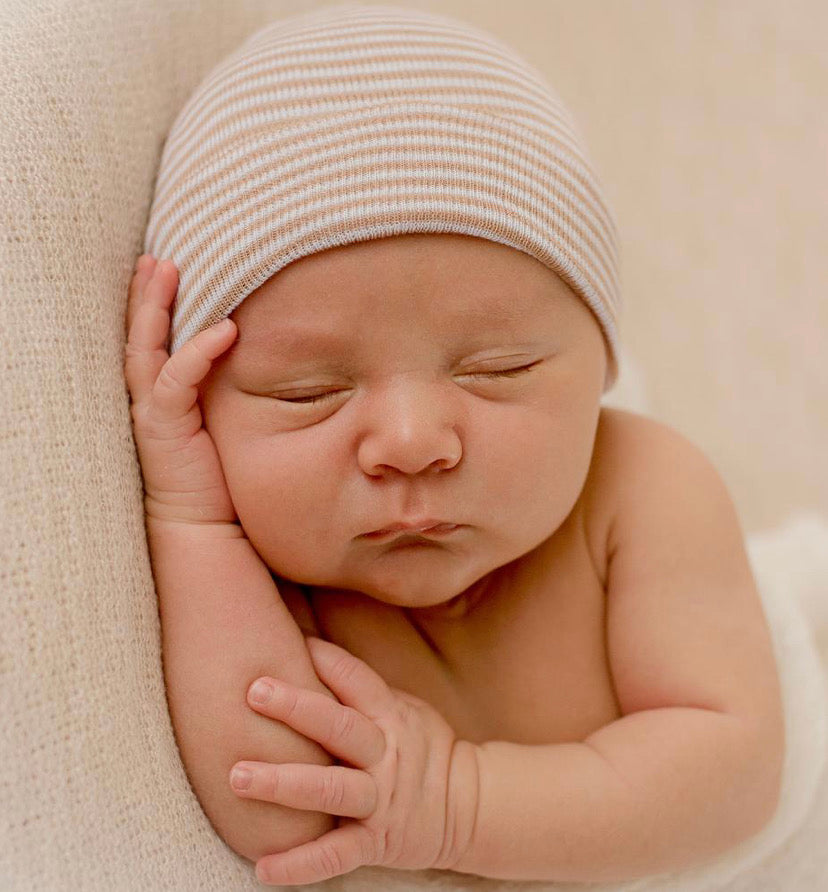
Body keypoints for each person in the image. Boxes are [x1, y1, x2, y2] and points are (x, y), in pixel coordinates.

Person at [124, 4, 784, 886]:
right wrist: (192, 518)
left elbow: (736, 781)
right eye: (307, 393)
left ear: (600, 364)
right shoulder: (275, 580)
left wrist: (459, 806)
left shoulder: (642, 491)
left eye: (497, 369)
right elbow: (275, 806)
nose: (410, 443)